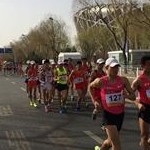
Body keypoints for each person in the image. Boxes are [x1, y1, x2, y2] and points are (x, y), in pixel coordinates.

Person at [89, 57, 135, 150]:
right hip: (108, 115)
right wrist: (95, 101)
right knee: (117, 146)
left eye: (117, 67)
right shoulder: (101, 81)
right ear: (106, 68)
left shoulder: (123, 80)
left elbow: (133, 96)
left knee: (109, 142)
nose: (115, 69)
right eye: (113, 67)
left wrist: (126, 96)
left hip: (120, 114)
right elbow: (90, 87)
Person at [132, 55, 150, 150]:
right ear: (143, 66)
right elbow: (131, 95)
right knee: (144, 135)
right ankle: (144, 142)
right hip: (145, 108)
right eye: (148, 65)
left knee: (146, 139)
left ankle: (144, 142)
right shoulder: (139, 80)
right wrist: (138, 104)